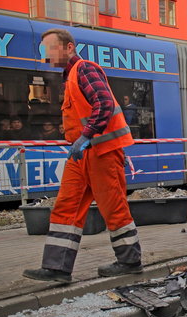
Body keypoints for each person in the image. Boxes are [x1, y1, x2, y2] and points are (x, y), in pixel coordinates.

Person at [23, 28, 142, 284]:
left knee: (113, 208)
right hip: (83, 155)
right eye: (45, 50)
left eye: (51, 48)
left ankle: (130, 262)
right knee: (66, 205)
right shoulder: (71, 77)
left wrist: (87, 135)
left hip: (102, 152)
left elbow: (104, 103)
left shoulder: (85, 69)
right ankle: (57, 268)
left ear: (68, 48)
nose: (47, 54)